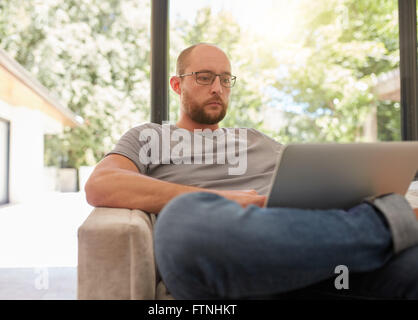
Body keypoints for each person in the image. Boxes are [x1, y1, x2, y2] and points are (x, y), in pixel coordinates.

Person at [85, 43, 418, 299]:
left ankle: (385, 222)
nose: (217, 88)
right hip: (225, 259)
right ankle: (390, 222)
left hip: (316, 260)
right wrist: (221, 199)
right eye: (204, 77)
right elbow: (101, 185)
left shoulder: (255, 140)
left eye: (225, 79)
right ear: (177, 85)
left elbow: (310, 184)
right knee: (181, 223)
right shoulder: (150, 137)